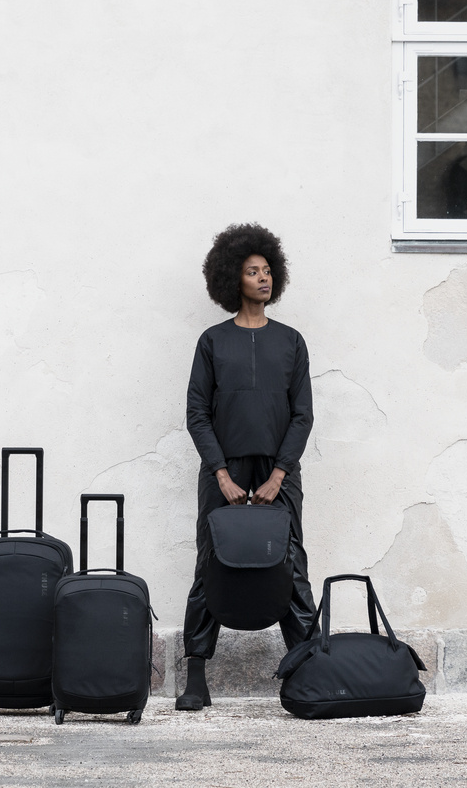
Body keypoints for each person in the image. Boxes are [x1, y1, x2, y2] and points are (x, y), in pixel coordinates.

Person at [176, 223, 317, 711]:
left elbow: (302, 415)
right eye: (252, 271)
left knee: (291, 562)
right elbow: (197, 413)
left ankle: (307, 671)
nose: (263, 278)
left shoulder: (291, 342)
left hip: (280, 470)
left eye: (267, 270)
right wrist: (221, 474)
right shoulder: (212, 342)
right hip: (224, 468)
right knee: (211, 563)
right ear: (231, 279)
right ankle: (197, 677)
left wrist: (279, 475)